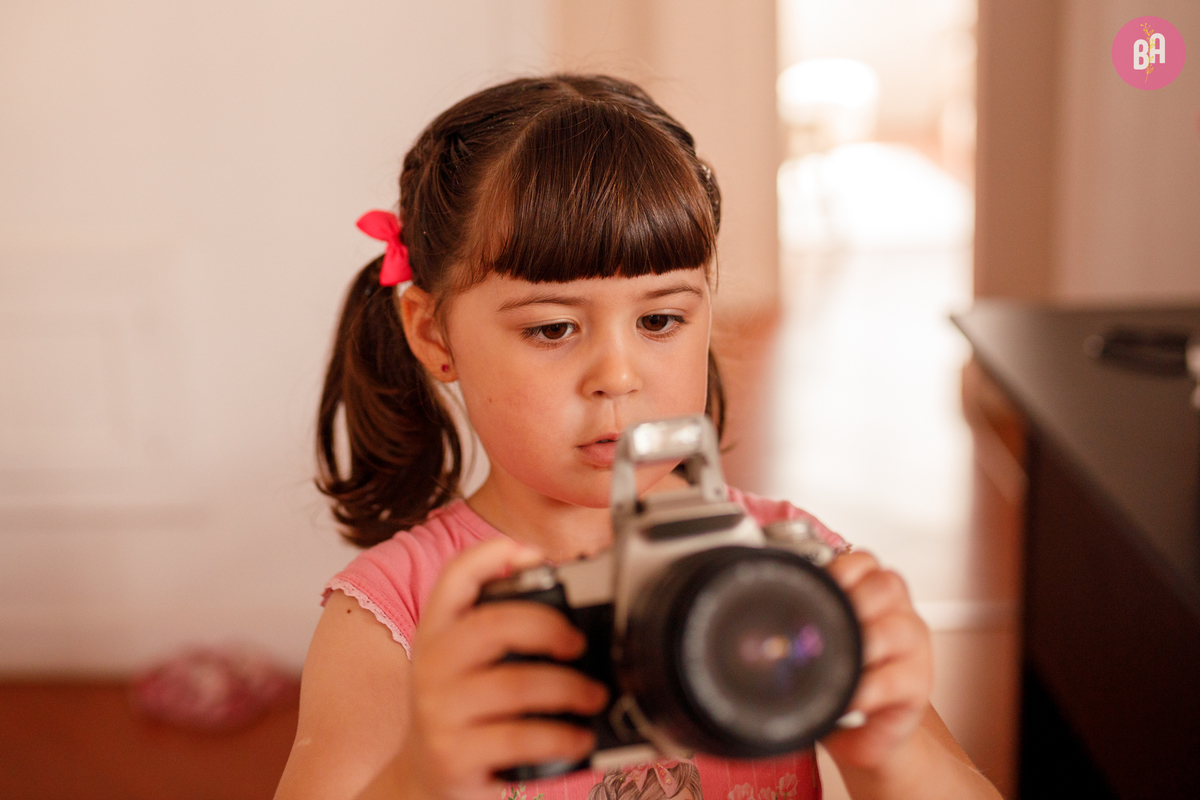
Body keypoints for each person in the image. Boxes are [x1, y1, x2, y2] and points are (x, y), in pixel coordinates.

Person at [274, 74, 1001, 800]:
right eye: (552, 328)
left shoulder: (785, 572)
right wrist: (418, 780)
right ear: (434, 335)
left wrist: (896, 756)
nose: (617, 376)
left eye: (660, 320)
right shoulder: (393, 619)